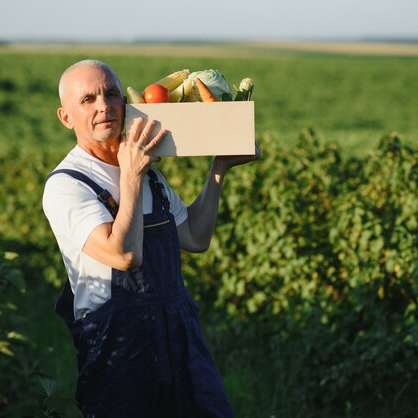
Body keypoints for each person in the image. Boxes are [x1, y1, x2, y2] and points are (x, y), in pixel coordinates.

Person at [42, 59, 259, 417]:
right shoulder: (68, 185)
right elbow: (124, 255)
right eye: (88, 99)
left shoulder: (150, 175)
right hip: (119, 349)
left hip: (180, 336)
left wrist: (220, 167)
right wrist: (130, 175)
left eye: (111, 94)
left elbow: (195, 237)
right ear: (66, 117)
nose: (104, 106)